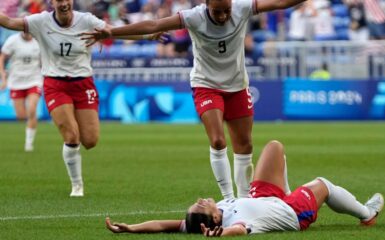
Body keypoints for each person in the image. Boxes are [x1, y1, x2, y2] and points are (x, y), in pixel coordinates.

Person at [83, 0, 309, 200]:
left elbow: (279, 3)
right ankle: (229, 199)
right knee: (218, 140)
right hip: (206, 85)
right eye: (217, 11)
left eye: (226, 11)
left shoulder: (242, 8)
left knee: (245, 145)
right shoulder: (193, 17)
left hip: (237, 86)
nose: (222, 17)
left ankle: (244, 198)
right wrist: (111, 33)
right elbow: (154, 25)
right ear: (207, 5)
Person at [0, 0, 162, 197]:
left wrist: (147, 36)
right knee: (71, 136)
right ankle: (77, 186)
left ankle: (75, 158)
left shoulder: (86, 20)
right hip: (55, 84)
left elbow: (113, 31)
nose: (64, 3)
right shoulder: (40, 21)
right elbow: (8, 21)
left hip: (83, 84)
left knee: (90, 141)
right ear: (52, 3)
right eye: (59, 0)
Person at [105, 140, 384, 236]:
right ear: (215, 219)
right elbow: (239, 231)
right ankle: (366, 213)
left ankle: (286, 192)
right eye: (202, 205)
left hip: (265, 196)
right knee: (323, 182)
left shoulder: (201, 220)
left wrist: (132, 227)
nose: (201, 199)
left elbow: (164, 225)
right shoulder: (236, 221)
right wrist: (223, 234)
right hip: (290, 212)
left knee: (275, 147)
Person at [0, 31, 43, 152]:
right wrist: (3, 77)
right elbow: (2, 57)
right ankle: (30, 125)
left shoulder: (38, 41)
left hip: (34, 80)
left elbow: (45, 59)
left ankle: (29, 143)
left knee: (32, 109)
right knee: (20, 116)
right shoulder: (12, 40)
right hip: (16, 81)